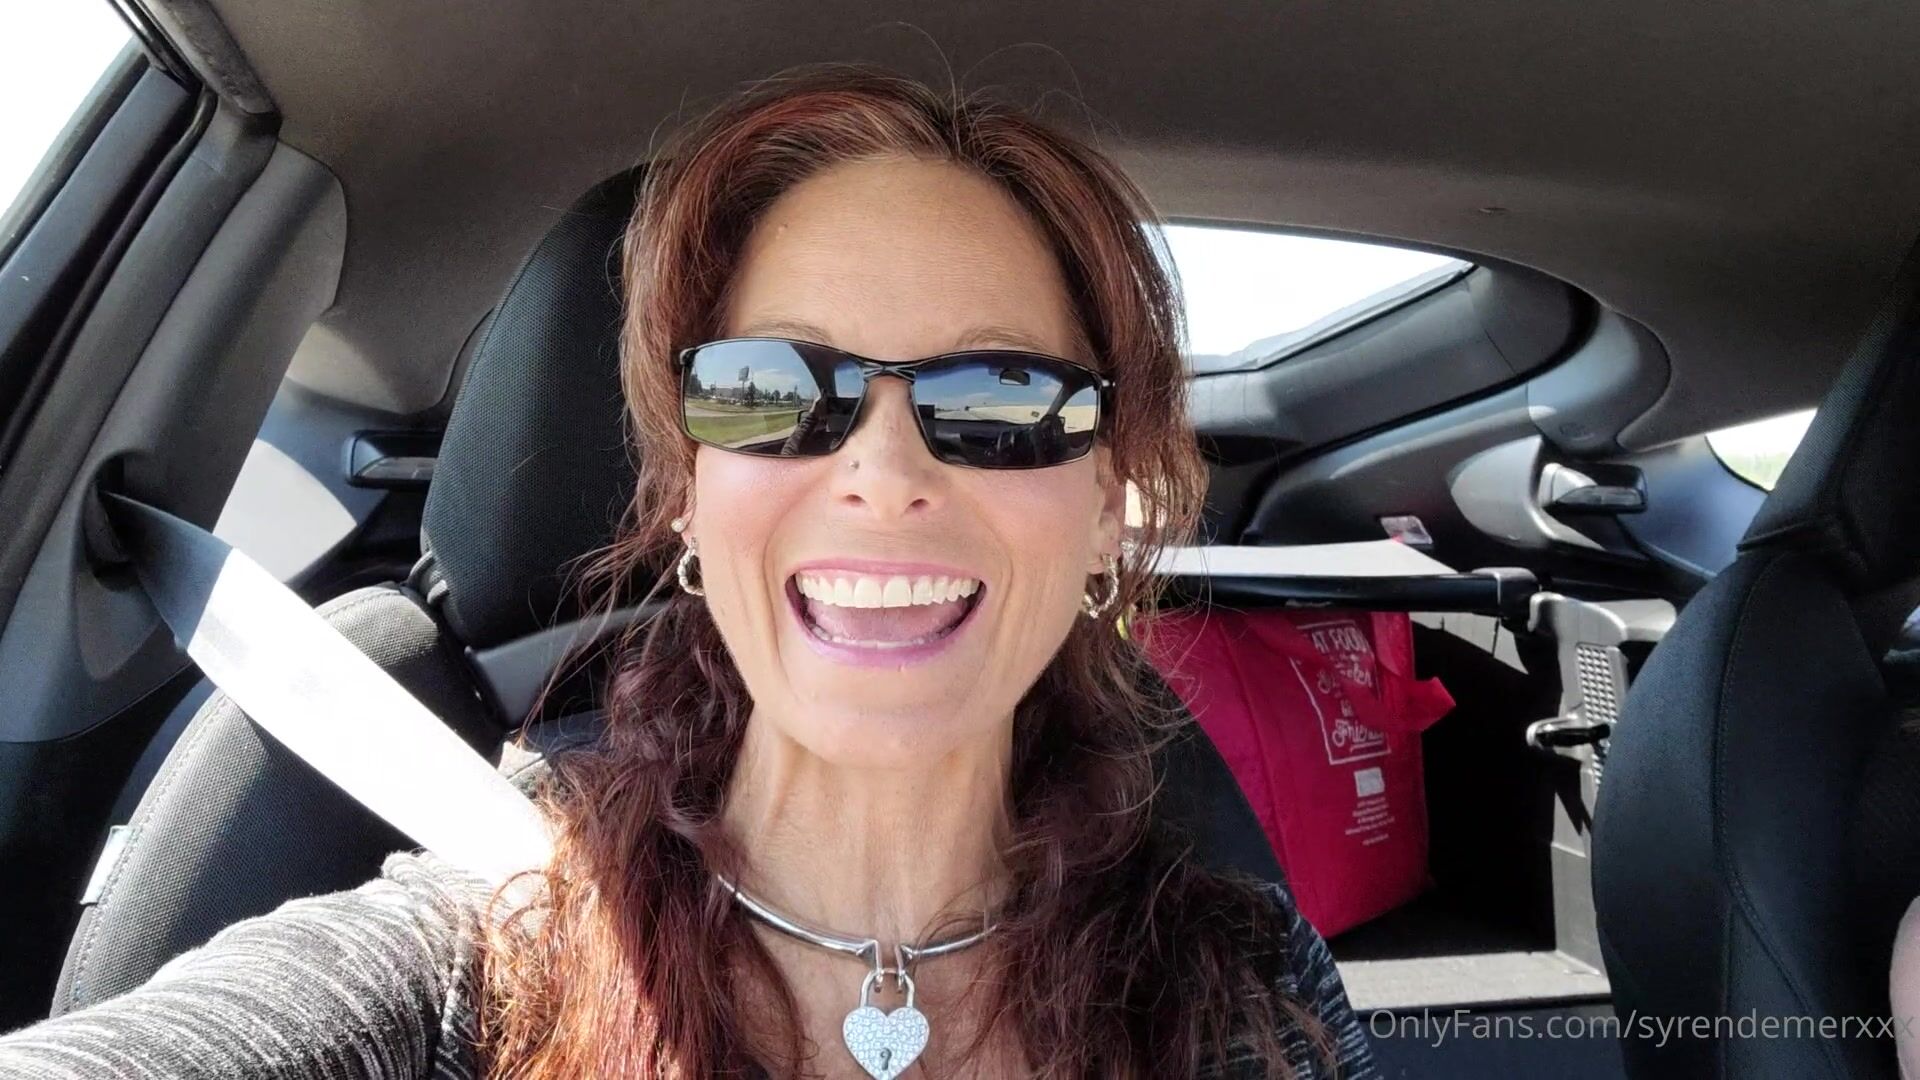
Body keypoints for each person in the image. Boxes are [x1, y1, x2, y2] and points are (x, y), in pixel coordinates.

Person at [0, 66, 1377, 1079]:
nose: (882, 469)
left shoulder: (1245, 988)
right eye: (773, 389)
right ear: (686, 497)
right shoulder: (475, 956)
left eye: (1000, 397)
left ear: (1107, 504)